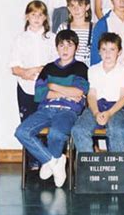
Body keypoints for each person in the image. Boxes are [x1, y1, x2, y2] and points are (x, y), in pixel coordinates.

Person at [15, 30, 89, 188]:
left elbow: (78, 92)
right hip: (46, 109)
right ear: (57, 48)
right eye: (61, 45)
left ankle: (50, 161)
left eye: (69, 45)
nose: (65, 49)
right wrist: (65, 91)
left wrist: (52, 86)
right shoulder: (48, 68)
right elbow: (39, 94)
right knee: (21, 132)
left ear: (76, 47)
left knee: (56, 133)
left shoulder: (80, 67)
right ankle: (55, 161)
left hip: (68, 110)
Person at [10, 0, 57, 169]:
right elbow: (14, 67)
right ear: (27, 16)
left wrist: (39, 69)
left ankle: (49, 163)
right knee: (28, 125)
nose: (37, 18)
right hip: (25, 88)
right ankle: (34, 163)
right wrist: (25, 72)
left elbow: (55, 64)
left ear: (45, 17)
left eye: (40, 15)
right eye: (33, 14)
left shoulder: (51, 38)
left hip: (45, 88)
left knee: (46, 124)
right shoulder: (20, 39)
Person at [71, 32, 124, 154]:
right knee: (78, 130)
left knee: (118, 130)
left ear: (119, 52)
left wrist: (109, 113)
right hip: (96, 107)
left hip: (117, 108)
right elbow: (92, 95)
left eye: (112, 49)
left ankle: (117, 169)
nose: (107, 53)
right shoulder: (93, 70)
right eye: (104, 49)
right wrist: (96, 112)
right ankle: (89, 168)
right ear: (99, 51)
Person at [56, 0, 94, 66]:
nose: (76, 9)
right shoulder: (63, 27)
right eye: (72, 6)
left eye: (79, 5)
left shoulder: (95, 28)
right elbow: (57, 52)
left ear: (87, 6)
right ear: (68, 8)